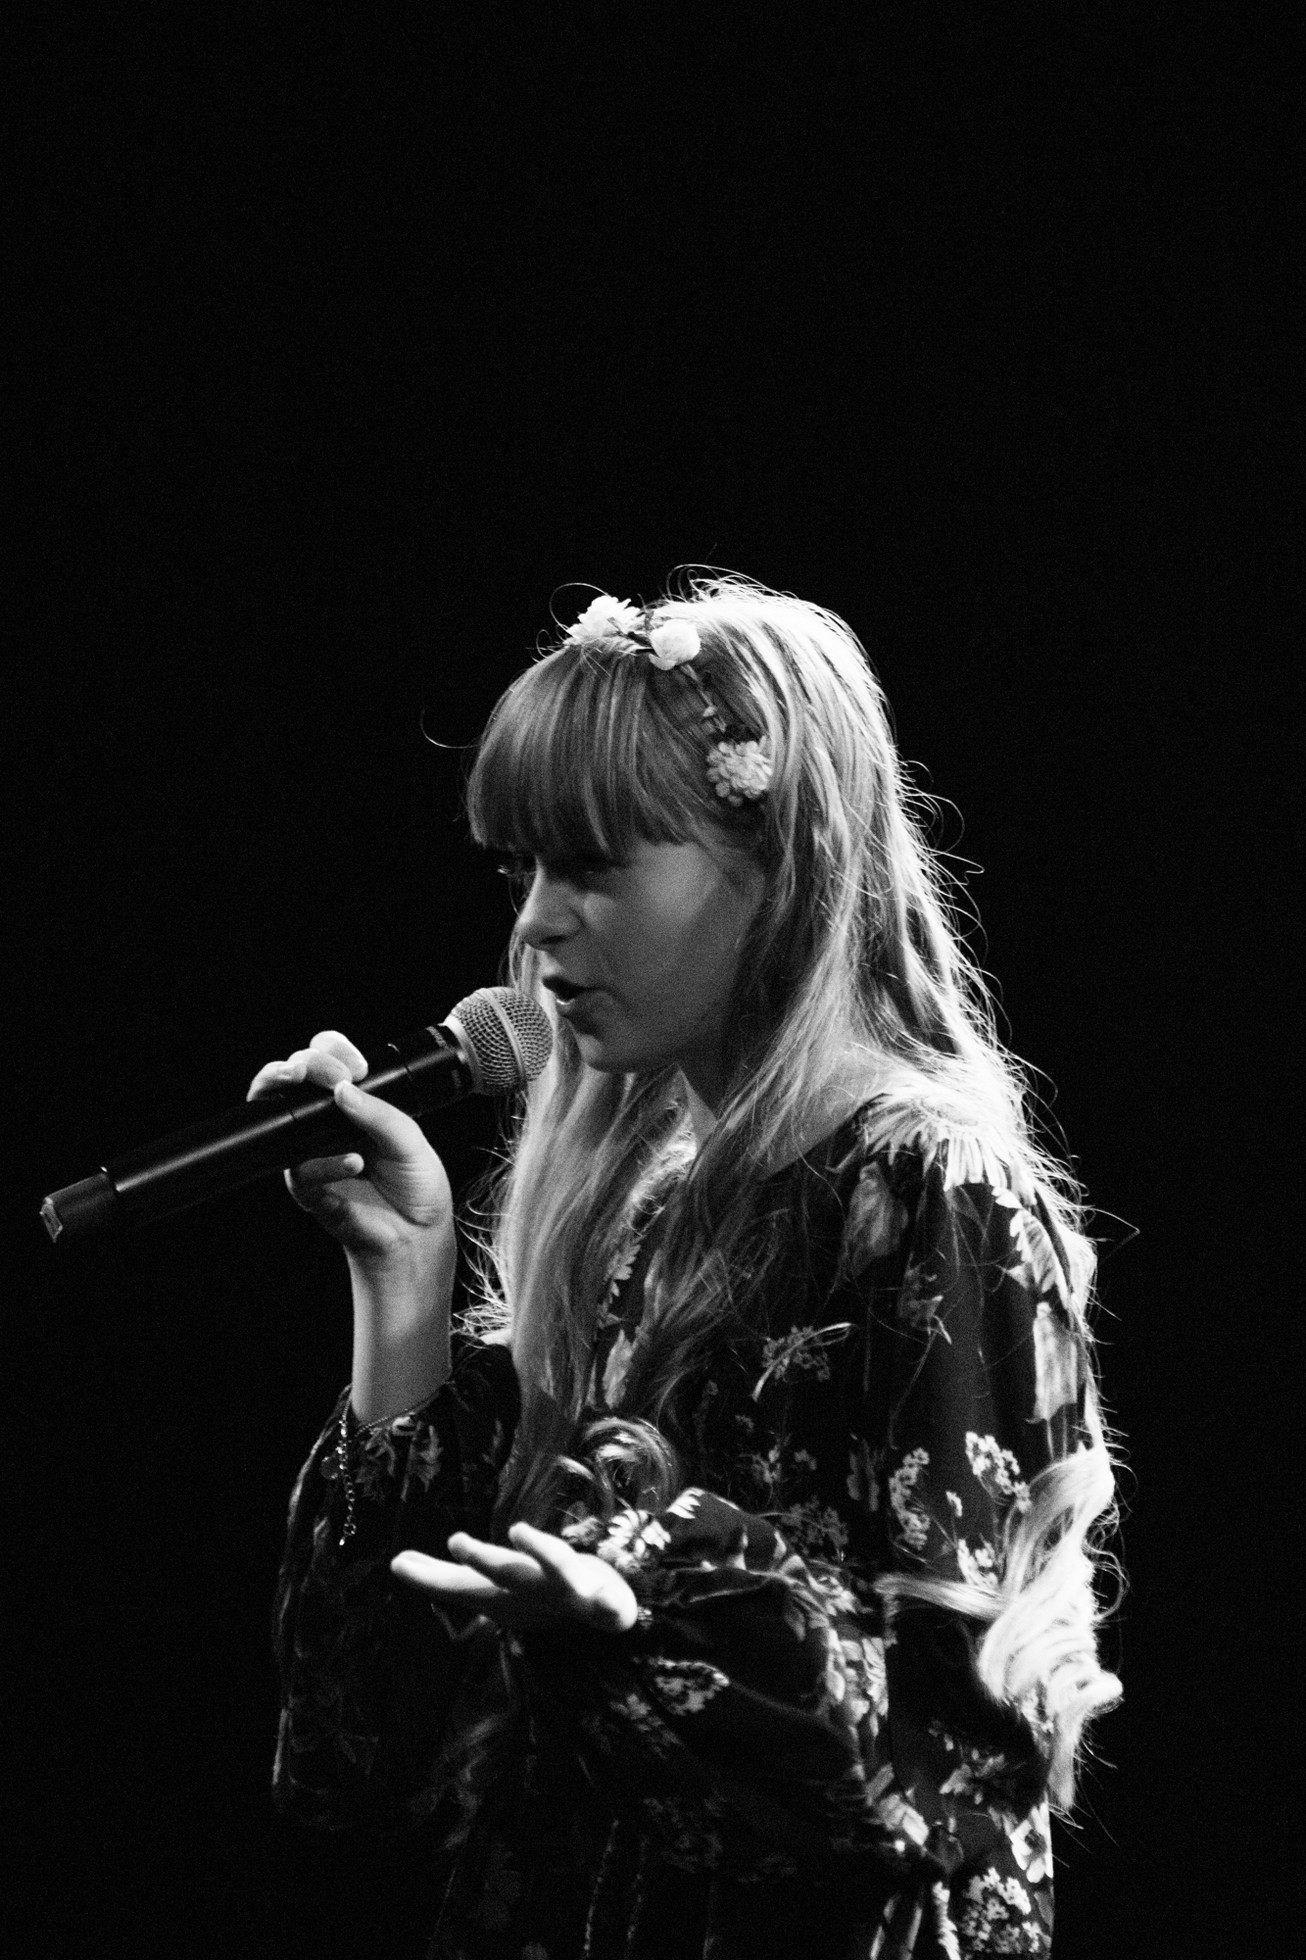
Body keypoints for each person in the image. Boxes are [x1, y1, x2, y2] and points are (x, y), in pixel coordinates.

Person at [257, 575, 1123, 1959]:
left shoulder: (930, 1193)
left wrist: (650, 1602)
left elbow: (951, 1762)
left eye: (593, 866)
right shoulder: (635, 1207)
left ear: (783, 862)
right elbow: (366, 1758)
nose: (536, 926)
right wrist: (402, 1280)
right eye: (521, 872)